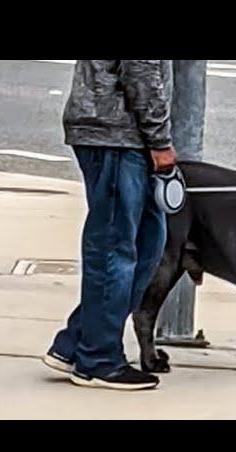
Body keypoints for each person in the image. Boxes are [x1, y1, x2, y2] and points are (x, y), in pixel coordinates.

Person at [42, 60, 176, 390]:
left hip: (125, 135)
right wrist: (160, 140)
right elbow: (141, 70)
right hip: (116, 134)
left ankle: (75, 342)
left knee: (148, 244)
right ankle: (98, 359)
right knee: (115, 249)